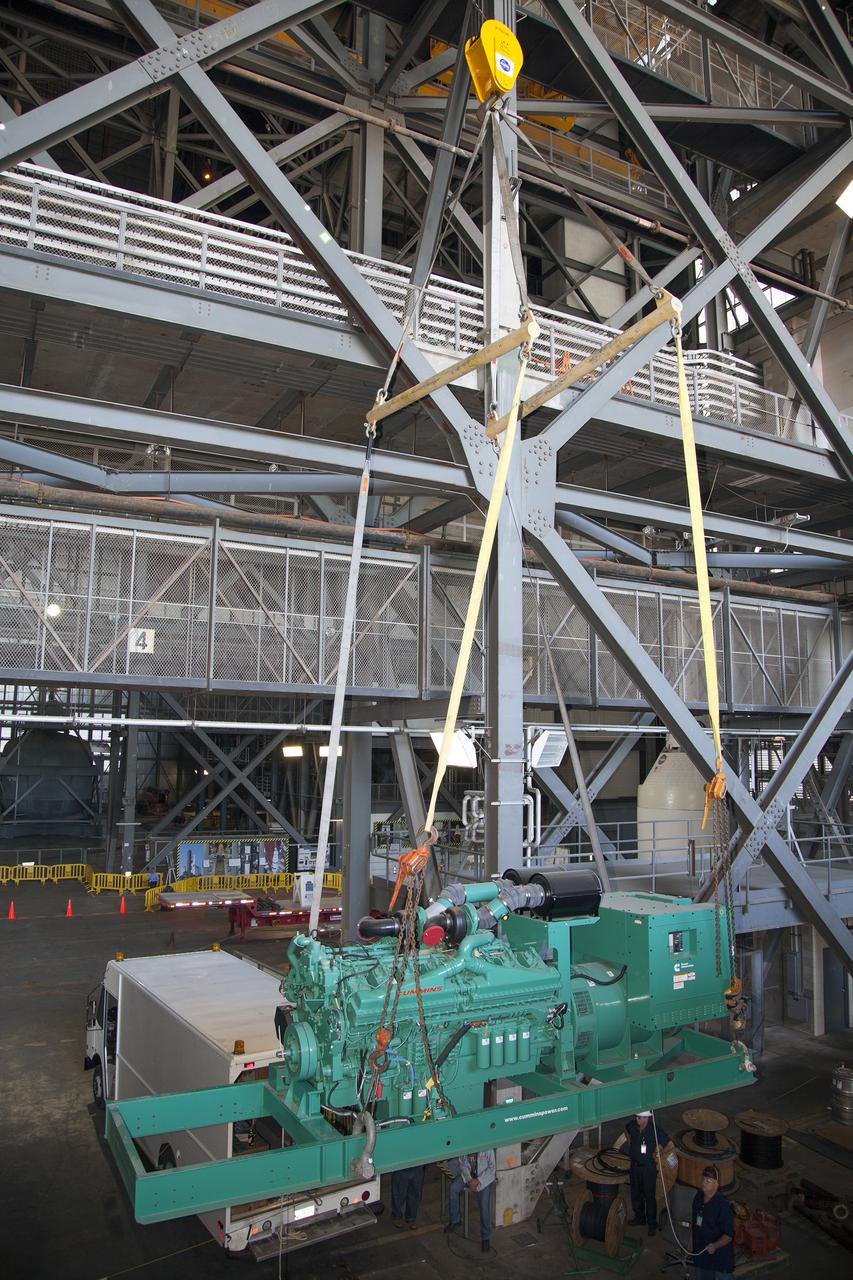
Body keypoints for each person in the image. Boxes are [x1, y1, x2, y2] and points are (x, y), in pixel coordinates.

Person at [625, 1109, 669, 1236]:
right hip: (635, 1167)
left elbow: (668, 1143)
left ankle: (652, 1223)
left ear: (646, 1118)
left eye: (639, 1117)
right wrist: (630, 1140)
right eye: (637, 1117)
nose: (637, 1119)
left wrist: (659, 1153)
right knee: (635, 1193)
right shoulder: (633, 1125)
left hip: (648, 1168)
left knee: (649, 1196)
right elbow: (626, 1129)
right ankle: (639, 1217)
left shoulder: (654, 1130)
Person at [689, 1165, 735, 1280]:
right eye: (703, 1179)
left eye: (708, 1181)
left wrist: (715, 1245)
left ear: (716, 1184)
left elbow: (728, 1235)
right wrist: (691, 1241)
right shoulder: (698, 1197)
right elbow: (694, 1222)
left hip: (719, 1256)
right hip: (701, 1251)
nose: (703, 1183)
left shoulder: (722, 1206)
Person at [445, 1149, 496, 1252]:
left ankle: (485, 1237)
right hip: (468, 1176)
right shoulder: (466, 1145)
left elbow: (492, 1168)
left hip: (484, 1179)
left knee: (484, 1206)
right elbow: (463, 1164)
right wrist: (469, 1180)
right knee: (453, 1189)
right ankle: (455, 1220)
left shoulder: (488, 1149)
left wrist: (478, 1181)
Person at [391, 1165, 425, 1230]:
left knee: (415, 1193)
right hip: (401, 1166)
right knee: (399, 1194)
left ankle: (411, 1217)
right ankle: (396, 1216)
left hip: (417, 1165)